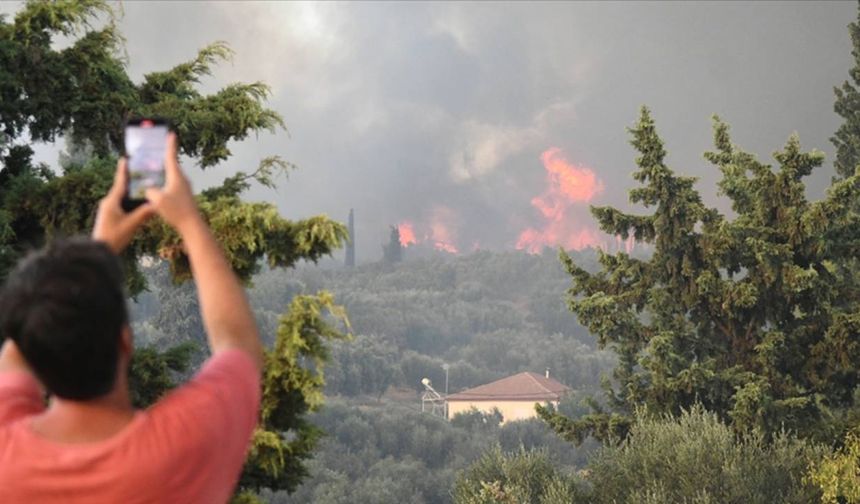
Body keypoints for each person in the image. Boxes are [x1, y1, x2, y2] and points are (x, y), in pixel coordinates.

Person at [0, 133, 263, 503]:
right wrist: (188, 221)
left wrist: (93, 260)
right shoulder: (179, 450)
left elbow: (19, 348)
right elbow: (239, 346)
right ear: (126, 340)